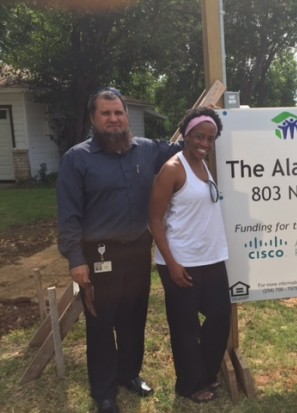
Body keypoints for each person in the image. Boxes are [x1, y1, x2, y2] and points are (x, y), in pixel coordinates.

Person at [56, 87, 184, 413]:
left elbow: (185, 144)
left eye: (118, 112)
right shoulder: (77, 159)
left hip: (137, 251)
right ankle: (103, 391)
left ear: (127, 116)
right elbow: (68, 216)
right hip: (98, 255)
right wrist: (75, 260)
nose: (114, 119)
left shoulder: (147, 150)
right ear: (93, 119)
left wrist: (209, 120)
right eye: (106, 113)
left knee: (133, 318)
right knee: (101, 324)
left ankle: (129, 374)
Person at [148, 107, 231, 403]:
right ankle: (189, 384)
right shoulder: (173, 168)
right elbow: (155, 219)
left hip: (211, 257)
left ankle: (206, 373)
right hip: (181, 261)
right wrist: (171, 263)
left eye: (211, 138)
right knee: (185, 327)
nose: (205, 143)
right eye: (199, 136)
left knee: (220, 316)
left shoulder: (204, 165)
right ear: (186, 135)